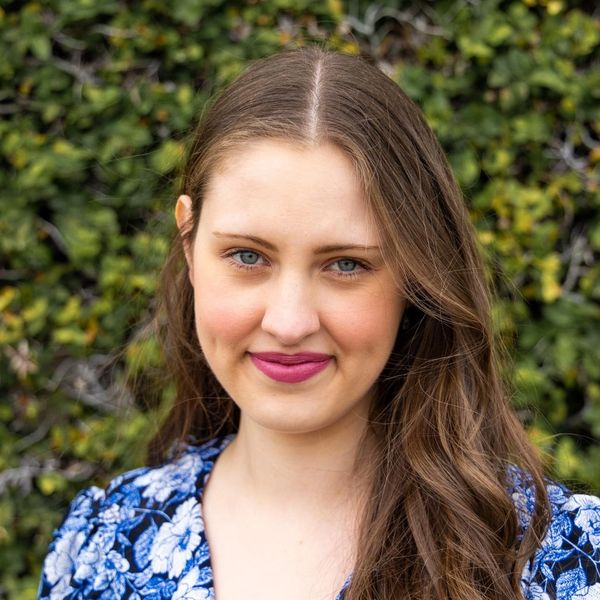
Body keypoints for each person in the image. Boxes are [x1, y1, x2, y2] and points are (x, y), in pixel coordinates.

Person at [38, 47, 599, 600]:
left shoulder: (557, 559)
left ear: (414, 275)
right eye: (247, 256)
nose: (288, 322)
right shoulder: (102, 545)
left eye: (346, 264)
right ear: (189, 244)